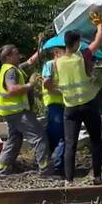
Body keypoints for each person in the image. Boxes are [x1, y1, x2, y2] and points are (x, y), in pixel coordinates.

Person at [47, 13, 102, 184]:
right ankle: (97, 177)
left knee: (70, 144)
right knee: (96, 141)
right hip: (88, 104)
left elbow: (50, 83)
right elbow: (98, 41)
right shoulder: (83, 55)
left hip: (70, 108)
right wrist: (99, 25)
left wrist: (60, 90)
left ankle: (69, 180)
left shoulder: (57, 62)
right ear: (77, 43)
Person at [0, 43, 52, 178]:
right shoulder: (11, 71)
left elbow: (30, 61)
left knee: (15, 140)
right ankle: (45, 170)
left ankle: (1, 170)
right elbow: (12, 89)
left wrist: (41, 48)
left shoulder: (11, 68)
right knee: (39, 136)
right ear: (8, 56)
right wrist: (31, 84)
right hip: (18, 112)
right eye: (16, 53)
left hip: (11, 113)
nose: (19, 56)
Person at [41, 44, 67, 176]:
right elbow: (46, 83)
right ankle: (53, 165)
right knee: (58, 135)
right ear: (57, 53)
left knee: (59, 136)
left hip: (62, 105)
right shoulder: (50, 65)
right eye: (64, 53)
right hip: (54, 104)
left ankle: (52, 164)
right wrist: (61, 91)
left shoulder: (63, 66)